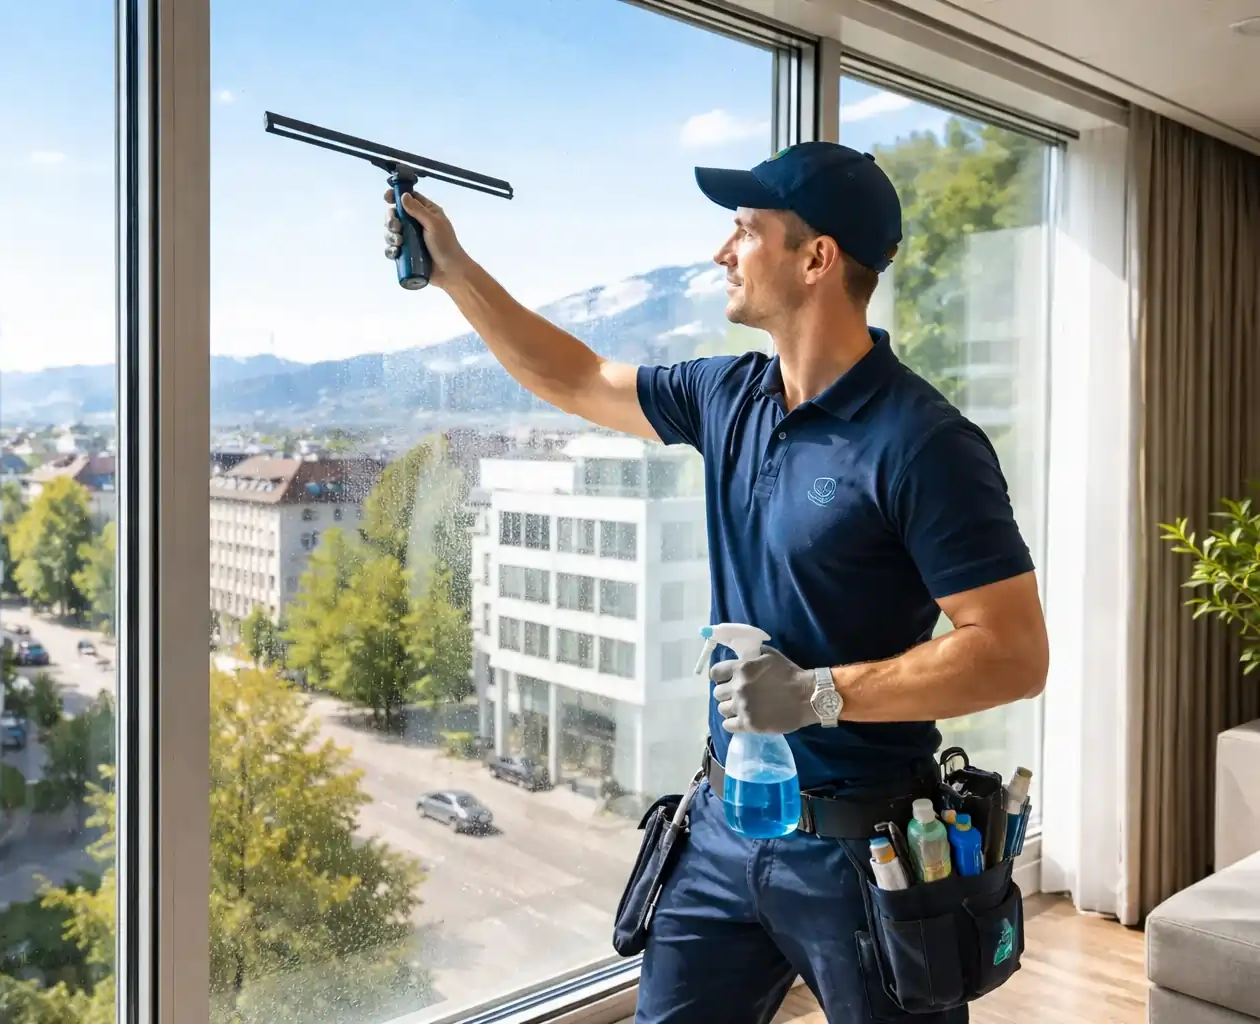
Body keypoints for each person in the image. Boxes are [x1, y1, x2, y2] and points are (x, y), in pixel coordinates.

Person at [384, 141, 1049, 1023]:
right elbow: (576, 377)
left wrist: (816, 693)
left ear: (816, 258)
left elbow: (1012, 654)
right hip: (723, 830)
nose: (720, 252)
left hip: (868, 852)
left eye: (744, 231)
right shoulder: (728, 396)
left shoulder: (924, 443)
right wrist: (454, 271)